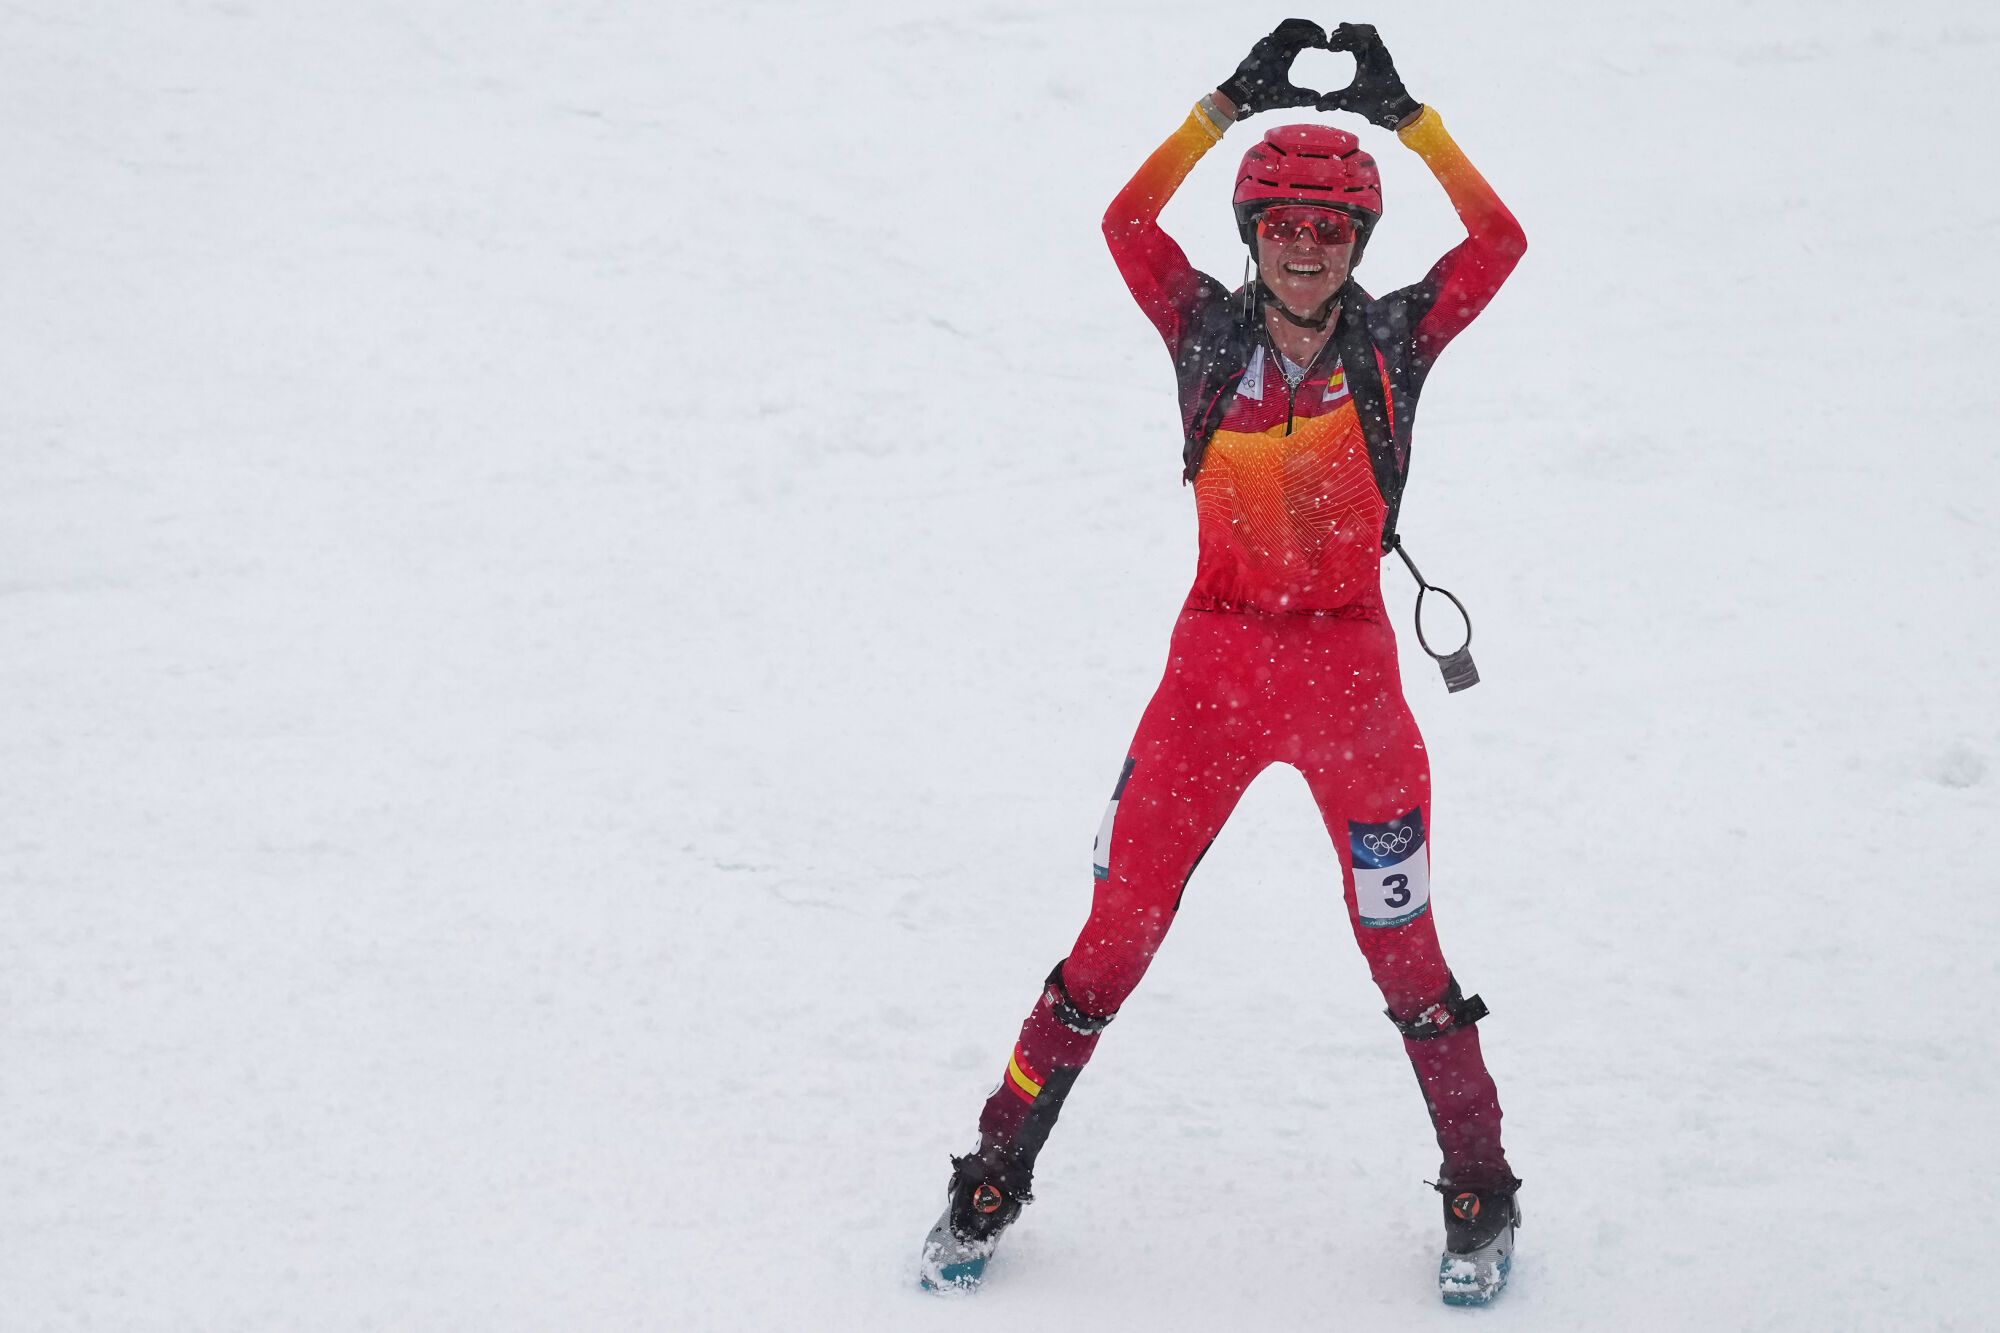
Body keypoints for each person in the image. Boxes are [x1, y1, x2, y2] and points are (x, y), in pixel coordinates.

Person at [919, 19, 1529, 1306]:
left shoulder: (1394, 344)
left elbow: (1499, 248)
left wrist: (1408, 122)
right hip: (1208, 675)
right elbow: (1123, 225)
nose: (1304, 247)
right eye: (1282, 225)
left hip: (1354, 688)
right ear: (1252, 235)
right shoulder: (1197, 326)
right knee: (1111, 941)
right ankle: (992, 1168)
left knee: (1402, 948)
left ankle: (1477, 1185)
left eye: (1329, 228)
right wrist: (1218, 107)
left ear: (1356, 244)